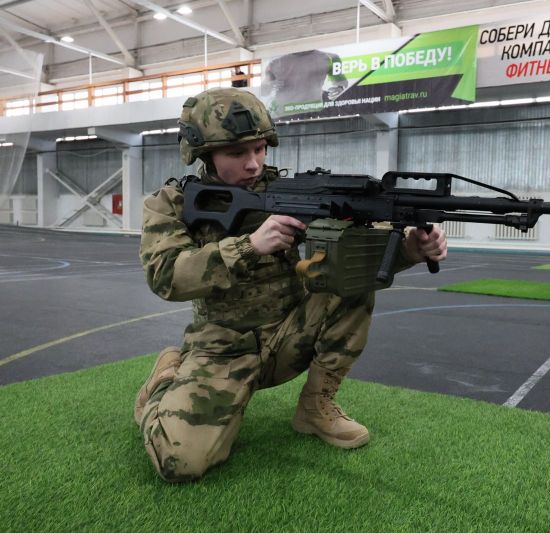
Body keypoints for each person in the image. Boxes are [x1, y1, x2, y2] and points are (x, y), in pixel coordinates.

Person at [134, 87, 447, 482]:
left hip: (290, 335)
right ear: (202, 153)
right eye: (237, 153)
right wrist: (248, 246)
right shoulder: (172, 203)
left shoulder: (289, 191)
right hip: (222, 350)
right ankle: (164, 380)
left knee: (350, 281)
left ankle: (315, 407)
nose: (253, 163)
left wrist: (409, 249)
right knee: (180, 463)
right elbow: (165, 275)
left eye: (260, 149)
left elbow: (352, 251)